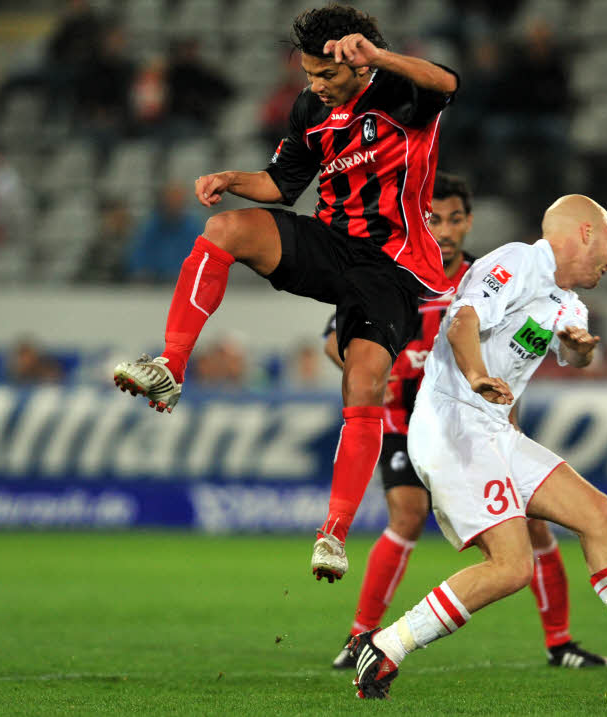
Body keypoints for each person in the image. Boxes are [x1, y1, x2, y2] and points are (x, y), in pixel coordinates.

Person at [111, 5, 459, 583]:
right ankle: (170, 366)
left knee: (364, 379)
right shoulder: (308, 110)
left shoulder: (401, 92)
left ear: (358, 63)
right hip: (331, 243)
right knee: (223, 230)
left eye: (325, 76)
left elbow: (447, 82)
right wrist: (230, 179)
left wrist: (380, 56)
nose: (313, 87)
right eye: (308, 76)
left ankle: (334, 533)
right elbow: (281, 184)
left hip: (393, 267)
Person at [344, 195, 607, 700]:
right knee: (511, 567)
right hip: (451, 422)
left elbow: (568, 354)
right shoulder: (518, 261)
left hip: (494, 431)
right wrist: (477, 374)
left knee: (599, 515)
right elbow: (462, 319)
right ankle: (388, 643)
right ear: (586, 233)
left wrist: (576, 348)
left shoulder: (569, 302)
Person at [325, 173, 607, 671]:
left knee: (536, 529)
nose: (446, 229)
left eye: (456, 218)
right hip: (414, 418)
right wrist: (391, 366)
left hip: (483, 423)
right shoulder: (396, 273)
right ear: (418, 219)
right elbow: (336, 341)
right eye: (434, 218)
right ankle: (360, 636)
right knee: (408, 516)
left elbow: (518, 347)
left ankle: (560, 642)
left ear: (469, 222)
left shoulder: (491, 273)